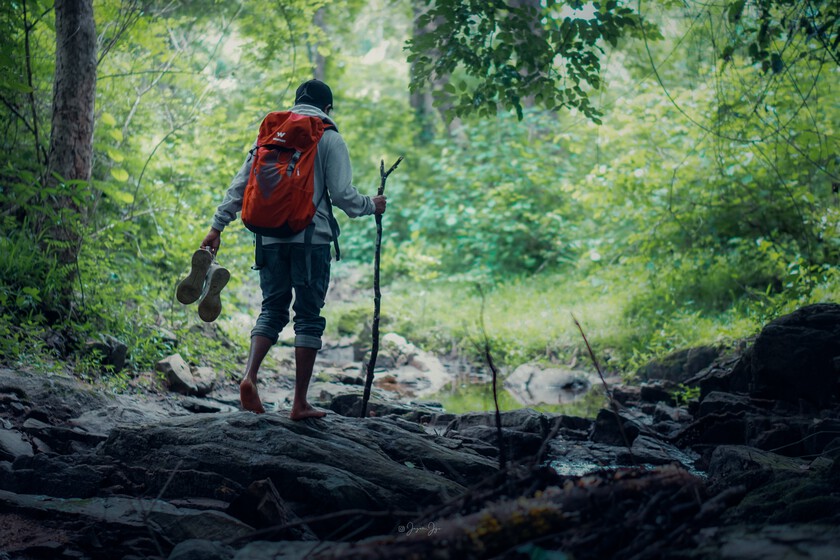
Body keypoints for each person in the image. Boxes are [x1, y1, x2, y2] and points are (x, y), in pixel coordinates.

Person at [199, 79, 386, 419]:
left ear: (296, 102)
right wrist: (371, 205)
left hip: (268, 239)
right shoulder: (328, 136)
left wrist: (216, 227)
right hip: (310, 242)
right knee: (309, 317)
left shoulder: (270, 136)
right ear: (327, 108)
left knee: (272, 309)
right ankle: (299, 403)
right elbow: (343, 195)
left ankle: (249, 376)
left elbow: (240, 185)